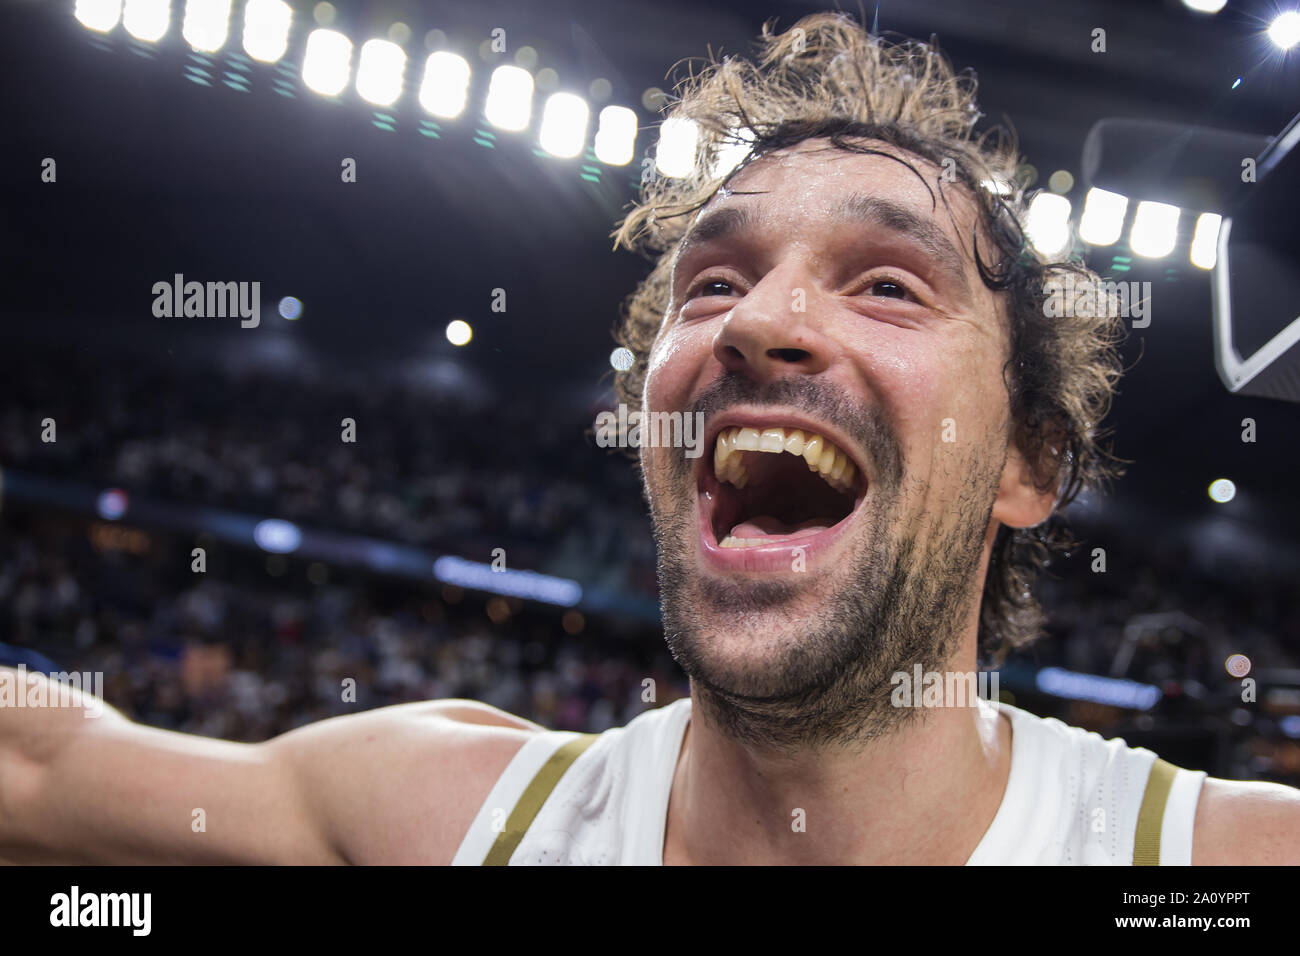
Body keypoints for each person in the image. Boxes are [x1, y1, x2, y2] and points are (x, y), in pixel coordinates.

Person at [1, 12, 1296, 866]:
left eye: (889, 282)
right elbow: (49, 766)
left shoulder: (1207, 865)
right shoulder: (459, 824)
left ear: (1029, 463)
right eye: (714, 282)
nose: (764, 322)